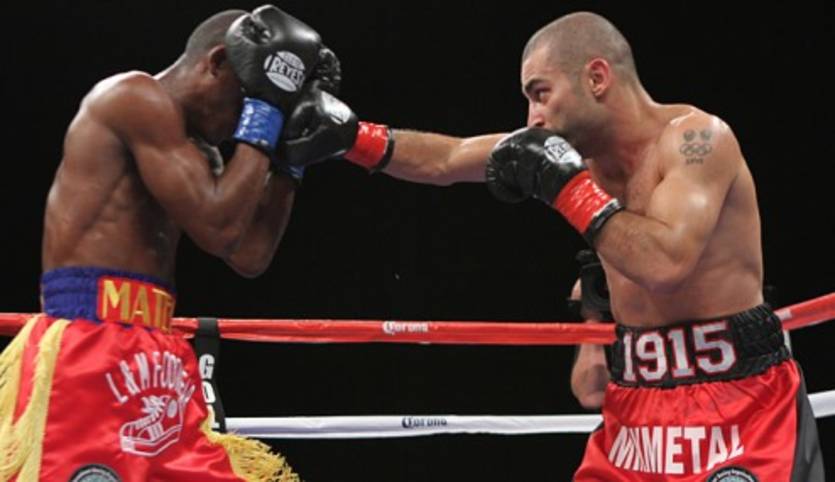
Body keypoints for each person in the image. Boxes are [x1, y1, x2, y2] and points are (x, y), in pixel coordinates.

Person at [278, 11, 824, 481]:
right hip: (636, 403)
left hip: (740, 402)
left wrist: (569, 189)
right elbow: (449, 159)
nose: (532, 119)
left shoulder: (697, 140)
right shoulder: (577, 155)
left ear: (597, 77)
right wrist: (351, 137)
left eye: (540, 93)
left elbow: (665, 263)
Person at [0, 5, 335, 481]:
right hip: (89, 345)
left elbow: (248, 253)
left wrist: (289, 165)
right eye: (246, 99)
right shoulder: (134, 97)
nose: (243, 122)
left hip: (157, 354)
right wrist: (268, 111)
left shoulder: (198, 153)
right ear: (217, 62)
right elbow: (219, 227)